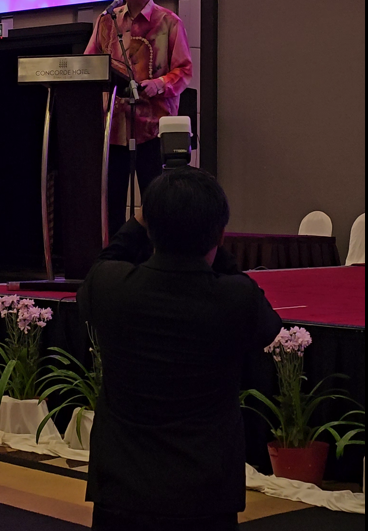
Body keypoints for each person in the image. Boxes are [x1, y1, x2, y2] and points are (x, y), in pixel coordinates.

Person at [79, 167, 283, 531]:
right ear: (220, 233)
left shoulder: (110, 287)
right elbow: (265, 323)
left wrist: (137, 223)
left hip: (122, 490)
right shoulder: (236, 300)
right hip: (205, 493)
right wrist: (214, 249)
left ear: (149, 228)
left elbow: (106, 261)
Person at [85, 0, 192, 236]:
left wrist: (157, 84)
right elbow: (88, 65)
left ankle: (155, 254)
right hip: (113, 129)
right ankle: (115, 255)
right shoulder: (107, 21)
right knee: (111, 202)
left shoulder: (168, 23)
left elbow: (184, 71)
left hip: (152, 129)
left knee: (155, 202)